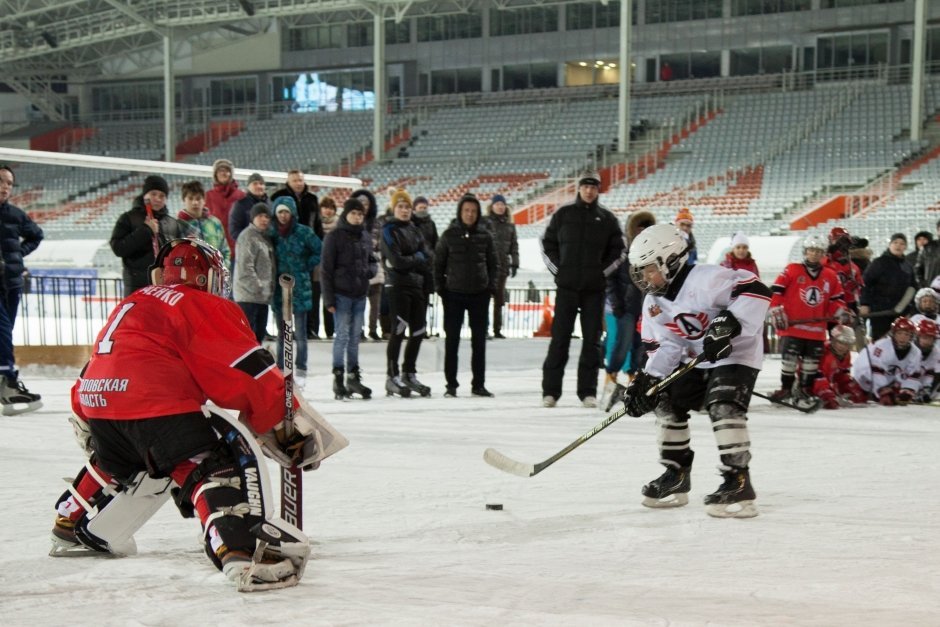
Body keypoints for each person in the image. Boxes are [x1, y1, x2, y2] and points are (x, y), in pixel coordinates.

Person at [51, 238, 345, 590]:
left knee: (126, 458)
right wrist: (287, 427)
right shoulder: (199, 303)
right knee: (210, 462)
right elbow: (244, 370)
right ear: (206, 278)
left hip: (99, 401)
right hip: (155, 401)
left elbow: (102, 361)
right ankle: (242, 551)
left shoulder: (133, 300)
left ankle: (70, 524)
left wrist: (86, 413)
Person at [620, 223, 772, 518]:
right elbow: (666, 346)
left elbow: (757, 291)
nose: (643, 277)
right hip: (699, 359)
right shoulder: (653, 302)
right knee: (664, 399)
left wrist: (728, 323)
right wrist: (648, 381)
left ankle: (738, 480)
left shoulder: (706, 279)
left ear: (671, 261)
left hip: (735, 356)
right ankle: (675, 475)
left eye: (648, 268)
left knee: (723, 404)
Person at [540, 170, 624, 408]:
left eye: (594, 187)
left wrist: (600, 273)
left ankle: (587, 392)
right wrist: (560, 270)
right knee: (559, 340)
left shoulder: (607, 219)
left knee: (592, 342)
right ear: (579, 188)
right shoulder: (563, 214)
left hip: (593, 291)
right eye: (585, 186)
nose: (589, 190)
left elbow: (618, 252)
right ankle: (550, 392)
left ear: (598, 190)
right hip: (566, 289)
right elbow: (547, 245)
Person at [768, 234, 847, 406]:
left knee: (811, 365)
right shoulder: (792, 269)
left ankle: (804, 391)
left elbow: (836, 299)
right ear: (805, 251)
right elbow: (777, 291)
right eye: (812, 250)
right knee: (789, 362)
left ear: (823, 253)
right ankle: (786, 389)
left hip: (817, 330)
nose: (815, 254)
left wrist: (840, 311)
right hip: (793, 328)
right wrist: (775, 308)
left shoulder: (830, 275)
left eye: (819, 251)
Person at [434, 194, 499, 398]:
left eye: (473, 211)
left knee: (479, 343)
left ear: (478, 213)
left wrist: (490, 288)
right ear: (460, 212)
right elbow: (438, 264)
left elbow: (493, 264)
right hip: (454, 295)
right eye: (466, 211)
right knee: (452, 342)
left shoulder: (485, 236)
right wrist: (441, 289)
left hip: (479, 295)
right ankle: (451, 385)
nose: (470, 214)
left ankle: (478, 384)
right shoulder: (448, 235)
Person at [321, 198, 377, 400]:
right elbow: (326, 270)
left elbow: (372, 261)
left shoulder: (365, 236)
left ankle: (353, 376)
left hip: (360, 294)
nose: (357, 217)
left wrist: (369, 272)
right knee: (342, 336)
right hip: (341, 294)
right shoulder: (334, 237)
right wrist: (329, 300)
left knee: (355, 338)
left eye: (360, 214)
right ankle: (338, 377)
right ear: (346, 214)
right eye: (354, 213)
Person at [381, 189, 434, 398]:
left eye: (407, 207)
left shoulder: (415, 229)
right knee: (399, 330)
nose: (404, 210)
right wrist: (416, 259)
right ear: (394, 208)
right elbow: (396, 261)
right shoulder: (388, 229)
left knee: (419, 331)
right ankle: (391, 376)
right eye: (400, 207)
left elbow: (427, 258)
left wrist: (413, 261)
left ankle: (408, 373)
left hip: (416, 286)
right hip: (397, 286)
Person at [0, 164, 44, 413]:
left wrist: (17, 255)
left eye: (9, 183)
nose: (5, 186)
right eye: (1, 181)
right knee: (3, 333)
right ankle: (9, 385)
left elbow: (36, 235)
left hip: (12, 284)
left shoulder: (15, 214)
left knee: (4, 334)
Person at [601, 210, 655, 411]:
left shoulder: (653, 252)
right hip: (622, 304)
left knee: (640, 344)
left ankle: (633, 377)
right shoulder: (622, 250)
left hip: (643, 305)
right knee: (620, 343)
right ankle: (610, 376)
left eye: (646, 228)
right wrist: (616, 302)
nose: (642, 231)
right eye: (639, 227)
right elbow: (610, 276)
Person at [270, 196, 321, 390]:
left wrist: (305, 267)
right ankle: (281, 369)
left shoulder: (304, 232)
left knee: (300, 333)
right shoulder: (272, 233)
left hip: (300, 288)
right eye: (280, 212)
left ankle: (301, 370)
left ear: (292, 213)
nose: (283, 216)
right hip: (279, 290)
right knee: (282, 333)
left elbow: (319, 249)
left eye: (286, 212)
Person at [110, 174, 183, 297]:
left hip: (165, 288)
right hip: (136, 287)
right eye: (153, 194)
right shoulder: (129, 218)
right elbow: (118, 248)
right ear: (145, 195)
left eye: (162, 196)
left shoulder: (172, 224)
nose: (158, 199)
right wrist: (146, 230)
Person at [852, 316, 922, 406]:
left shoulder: (916, 352)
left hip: (887, 380)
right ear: (893, 334)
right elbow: (875, 371)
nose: (902, 338)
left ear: (912, 336)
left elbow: (913, 375)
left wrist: (907, 391)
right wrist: (884, 391)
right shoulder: (881, 346)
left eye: (906, 334)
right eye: (899, 333)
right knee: (858, 402)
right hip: (863, 379)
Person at [860, 233, 917, 341]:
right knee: (880, 341)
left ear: (905, 247)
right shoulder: (878, 262)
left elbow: (913, 287)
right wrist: (864, 303)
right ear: (889, 245)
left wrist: (911, 309)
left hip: (901, 312)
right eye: (895, 243)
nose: (898, 246)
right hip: (880, 311)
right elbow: (866, 283)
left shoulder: (908, 266)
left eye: (902, 243)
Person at [233, 203, 276, 342]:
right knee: (247, 340)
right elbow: (246, 268)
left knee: (258, 339)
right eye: (260, 216)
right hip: (249, 297)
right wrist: (259, 287)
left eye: (266, 216)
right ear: (252, 218)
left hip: (261, 297)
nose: (264, 219)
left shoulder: (264, 236)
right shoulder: (248, 237)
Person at [351, 188, 386, 341]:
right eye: (360, 202)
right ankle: (359, 330)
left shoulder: (377, 223)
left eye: (366, 202)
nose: (364, 205)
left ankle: (373, 330)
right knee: (359, 301)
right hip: (357, 265)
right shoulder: (351, 222)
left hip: (374, 264)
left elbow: (380, 243)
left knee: (375, 301)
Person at [810, 325, 868, 410]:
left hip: (826, 385)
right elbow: (817, 378)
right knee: (830, 401)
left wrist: (853, 389)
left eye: (847, 344)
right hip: (812, 386)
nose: (843, 347)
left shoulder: (846, 355)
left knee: (858, 395)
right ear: (833, 340)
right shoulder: (823, 352)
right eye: (840, 342)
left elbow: (842, 376)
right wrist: (827, 394)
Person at [485, 194, 519, 339]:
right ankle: (484, 329)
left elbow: (514, 247)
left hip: (502, 267)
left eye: (502, 204)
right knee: (484, 299)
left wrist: (515, 263)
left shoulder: (510, 226)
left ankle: (497, 329)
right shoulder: (485, 223)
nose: (500, 207)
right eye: (497, 204)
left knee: (499, 300)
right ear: (492, 206)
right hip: (486, 266)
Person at [177, 181, 231, 269]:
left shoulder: (215, 223)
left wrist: (223, 268)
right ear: (184, 200)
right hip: (189, 276)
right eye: (190, 198)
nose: (195, 202)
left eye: (198, 199)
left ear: (204, 200)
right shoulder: (178, 225)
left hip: (215, 276)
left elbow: (225, 250)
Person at [310, 196, 338, 340]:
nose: (328, 210)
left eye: (331, 207)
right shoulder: (316, 224)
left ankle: (330, 331)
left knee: (329, 301)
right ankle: (314, 329)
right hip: (316, 268)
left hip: (332, 270)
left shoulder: (338, 225)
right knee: (314, 300)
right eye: (325, 207)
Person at [204, 158, 245, 256]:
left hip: (238, 248)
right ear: (215, 174)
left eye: (226, 170)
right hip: (215, 248)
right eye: (220, 171)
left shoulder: (241, 195)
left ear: (230, 174)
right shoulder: (208, 196)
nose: (223, 173)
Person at [228, 172, 270, 252]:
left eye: (261, 184)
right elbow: (234, 230)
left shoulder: (270, 204)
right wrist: (250, 241)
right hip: (248, 249)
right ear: (248, 186)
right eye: (255, 184)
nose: (259, 186)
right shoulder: (240, 205)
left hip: (267, 248)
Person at [913, 318, 939, 403]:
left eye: (930, 339)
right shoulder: (909, 349)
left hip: (920, 384)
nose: (927, 341)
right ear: (918, 336)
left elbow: (932, 374)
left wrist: (926, 390)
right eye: (924, 337)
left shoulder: (936, 352)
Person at [914, 219, 940, 287]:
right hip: (932, 291)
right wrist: (923, 285)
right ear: (938, 231)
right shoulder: (927, 248)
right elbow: (918, 270)